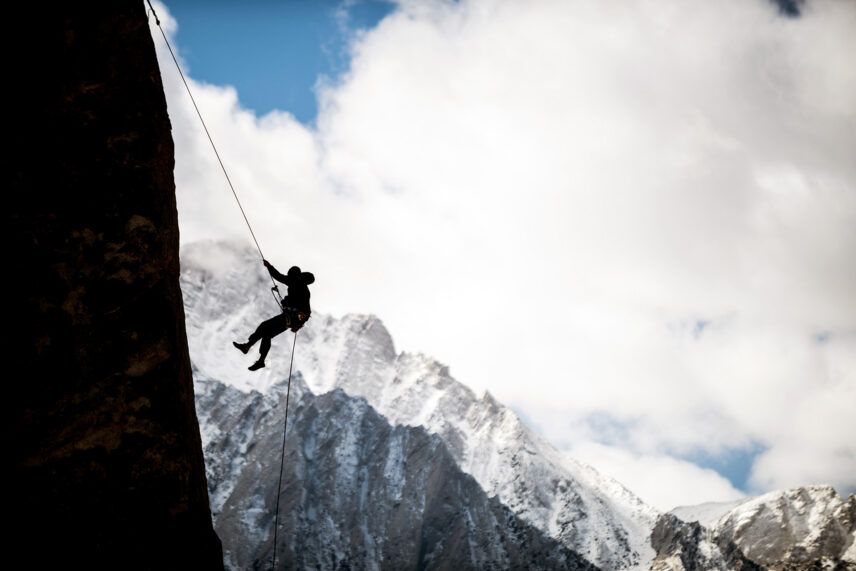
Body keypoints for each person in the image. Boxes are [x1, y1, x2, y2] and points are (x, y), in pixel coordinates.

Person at [233, 260, 315, 371]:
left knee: (264, 326)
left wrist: (269, 266)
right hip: (293, 319)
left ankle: (248, 347)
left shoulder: (295, 281)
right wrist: (299, 324)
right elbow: (305, 310)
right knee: (267, 334)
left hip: (291, 317)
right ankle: (257, 357)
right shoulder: (302, 287)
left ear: (293, 274)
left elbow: (279, 277)